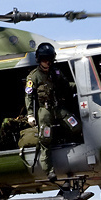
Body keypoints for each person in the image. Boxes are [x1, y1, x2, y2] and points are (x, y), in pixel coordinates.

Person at [24, 43, 80, 182]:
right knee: (45, 139)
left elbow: (66, 86)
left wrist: (81, 86)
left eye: (49, 59)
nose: (47, 62)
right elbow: (29, 96)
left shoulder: (56, 72)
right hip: (45, 110)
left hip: (58, 107)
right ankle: (49, 170)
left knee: (75, 126)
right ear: (39, 59)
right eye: (44, 59)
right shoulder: (33, 77)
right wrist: (30, 114)